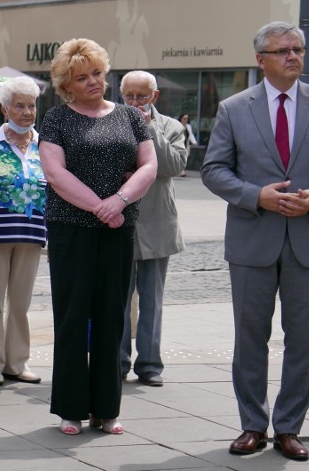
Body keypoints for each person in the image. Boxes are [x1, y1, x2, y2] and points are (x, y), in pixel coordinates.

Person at [201, 21, 309, 461]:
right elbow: (214, 169)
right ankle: (252, 424)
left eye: (298, 49)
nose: (293, 56)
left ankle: (290, 427)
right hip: (253, 240)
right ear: (261, 60)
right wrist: (257, 197)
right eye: (283, 50)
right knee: (250, 337)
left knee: (303, 340)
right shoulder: (234, 108)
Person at [39, 38, 157, 436]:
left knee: (112, 317)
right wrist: (99, 206)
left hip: (118, 229)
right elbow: (56, 173)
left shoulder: (130, 117)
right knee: (73, 317)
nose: (93, 82)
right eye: (82, 77)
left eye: (97, 74)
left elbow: (149, 165)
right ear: (66, 84)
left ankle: (107, 409)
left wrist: (119, 202)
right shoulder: (57, 119)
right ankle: (70, 408)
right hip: (71, 229)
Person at [0, 76, 46, 386]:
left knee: (21, 302)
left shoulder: (46, 144)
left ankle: (17, 362)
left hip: (31, 232)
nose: (27, 112)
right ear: (4, 109)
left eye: (31, 105)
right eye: (19, 106)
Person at [118, 71, 187, 388]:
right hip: (119, 223)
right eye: (128, 96)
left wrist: (147, 129)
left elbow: (174, 165)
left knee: (152, 301)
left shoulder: (171, 126)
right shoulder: (110, 122)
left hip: (158, 224)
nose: (134, 103)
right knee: (116, 300)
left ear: (154, 97)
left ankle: (149, 364)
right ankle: (116, 361)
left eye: (141, 97)